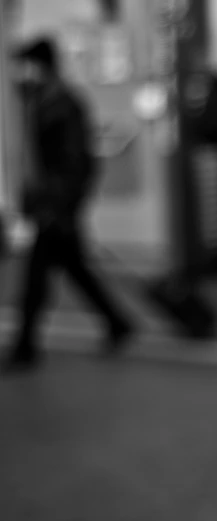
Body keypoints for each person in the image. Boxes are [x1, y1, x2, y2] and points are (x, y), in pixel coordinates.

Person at [1, 38, 133, 372]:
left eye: (24, 65)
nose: (19, 73)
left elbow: (75, 163)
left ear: (40, 65)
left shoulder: (62, 103)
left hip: (55, 205)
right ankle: (116, 321)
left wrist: (57, 203)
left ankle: (25, 346)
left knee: (37, 278)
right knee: (76, 269)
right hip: (51, 204)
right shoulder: (39, 100)